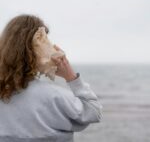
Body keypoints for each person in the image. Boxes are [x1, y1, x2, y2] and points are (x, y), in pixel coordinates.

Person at [0, 14, 102, 142]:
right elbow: (93, 112)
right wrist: (70, 76)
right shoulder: (54, 97)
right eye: (46, 41)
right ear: (36, 47)